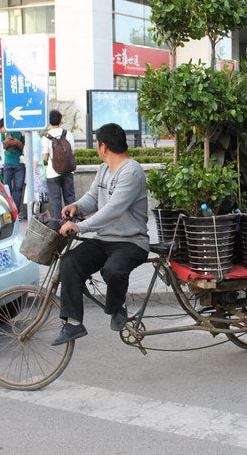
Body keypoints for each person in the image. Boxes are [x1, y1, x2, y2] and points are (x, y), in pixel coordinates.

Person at [52, 123, 149, 346]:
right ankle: (73, 324)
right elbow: (93, 198)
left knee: (113, 270)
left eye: (97, 144)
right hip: (104, 240)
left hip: (131, 241)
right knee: (69, 262)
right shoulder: (104, 169)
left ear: (103, 146)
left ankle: (117, 306)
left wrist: (81, 227)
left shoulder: (132, 171)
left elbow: (113, 209)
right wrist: (75, 207)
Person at [41, 109, 76, 219]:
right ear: (61, 121)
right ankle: (72, 222)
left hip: (52, 173)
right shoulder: (67, 133)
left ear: (49, 122)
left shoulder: (46, 137)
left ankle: (59, 224)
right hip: (68, 170)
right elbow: (72, 152)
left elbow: (45, 157)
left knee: (56, 200)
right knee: (70, 198)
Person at [1, 124, 26, 214]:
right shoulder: (5, 130)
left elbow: (26, 149)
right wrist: (7, 141)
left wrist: (18, 143)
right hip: (7, 162)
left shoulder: (23, 131)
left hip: (20, 163)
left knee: (18, 188)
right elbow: (2, 147)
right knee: (6, 187)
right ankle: (8, 210)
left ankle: (16, 211)